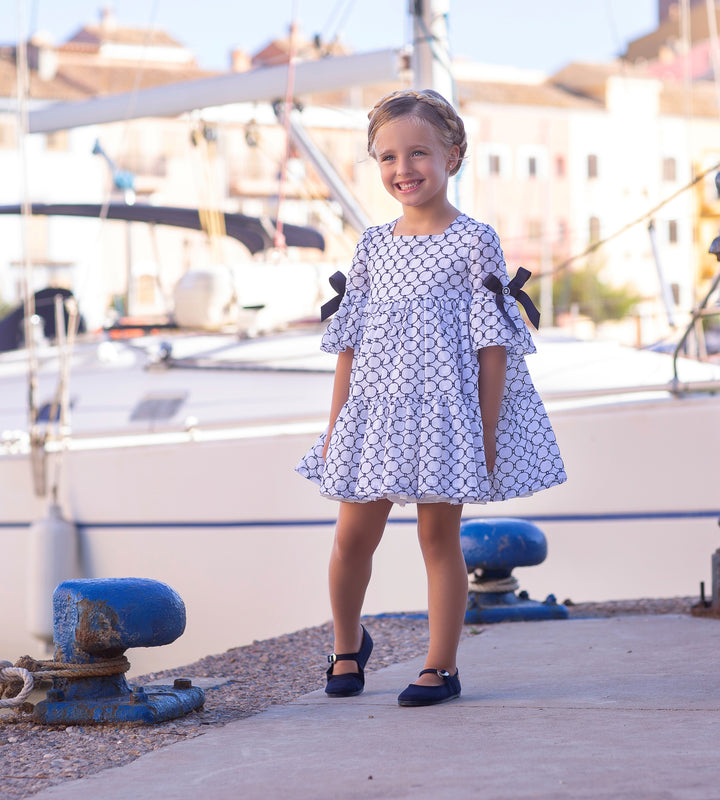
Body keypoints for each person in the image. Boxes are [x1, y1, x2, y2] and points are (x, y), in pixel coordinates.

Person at [296, 89, 566, 707]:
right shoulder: (373, 244)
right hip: (375, 409)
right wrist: (338, 425)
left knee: (438, 540)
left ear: (454, 155)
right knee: (351, 538)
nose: (403, 169)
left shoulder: (474, 240)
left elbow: (492, 342)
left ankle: (440, 665)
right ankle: (346, 646)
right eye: (388, 158)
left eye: (418, 153)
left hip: (445, 413)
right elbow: (350, 345)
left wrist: (488, 427)